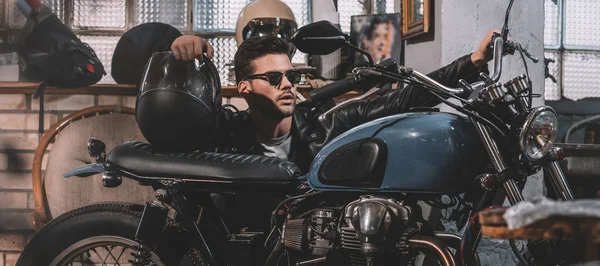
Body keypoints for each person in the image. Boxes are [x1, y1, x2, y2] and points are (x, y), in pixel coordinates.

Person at [169, 30, 495, 174]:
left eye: (291, 76)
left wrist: (474, 61)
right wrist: (182, 48)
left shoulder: (323, 122)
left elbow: (402, 99)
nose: (286, 85)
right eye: (273, 78)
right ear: (244, 88)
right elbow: (180, 121)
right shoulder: (226, 131)